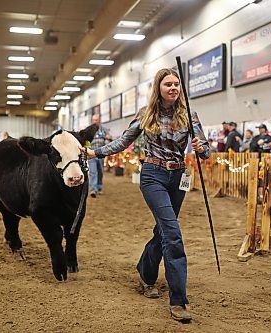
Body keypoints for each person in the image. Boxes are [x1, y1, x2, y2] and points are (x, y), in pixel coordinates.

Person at [81, 68, 210, 323]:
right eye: (168, 84)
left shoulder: (190, 115)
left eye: (176, 84)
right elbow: (123, 141)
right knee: (172, 234)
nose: (173, 88)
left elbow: (205, 151)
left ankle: (145, 273)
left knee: (162, 231)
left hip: (178, 178)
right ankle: (178, 301)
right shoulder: (146, 113)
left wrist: (201, 147)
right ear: (158, 88)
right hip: (153, 176)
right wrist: (96, 153)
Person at [88, 114, 112, 198]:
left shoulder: (104, 129)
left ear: (99, 120)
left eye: (96, 120)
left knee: (100, 171)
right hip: (91, 154)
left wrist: (108, 138)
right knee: (93, 172)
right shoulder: (89, 130)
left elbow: (110, 139)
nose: (95, 121)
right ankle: (93, 189)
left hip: (101, 154)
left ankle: (99, 187)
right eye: (94, 120)